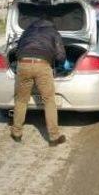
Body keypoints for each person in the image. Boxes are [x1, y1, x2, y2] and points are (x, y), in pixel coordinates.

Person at [10, 19, 67, 147]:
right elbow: (60, 56)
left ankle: (17, 132)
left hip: (23, 64)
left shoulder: (27, 32)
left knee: (21, 100)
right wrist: (59, 64)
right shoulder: (53, 32)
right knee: (49, 101)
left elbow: (17, 49)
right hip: (42, 65)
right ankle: (54, 137)